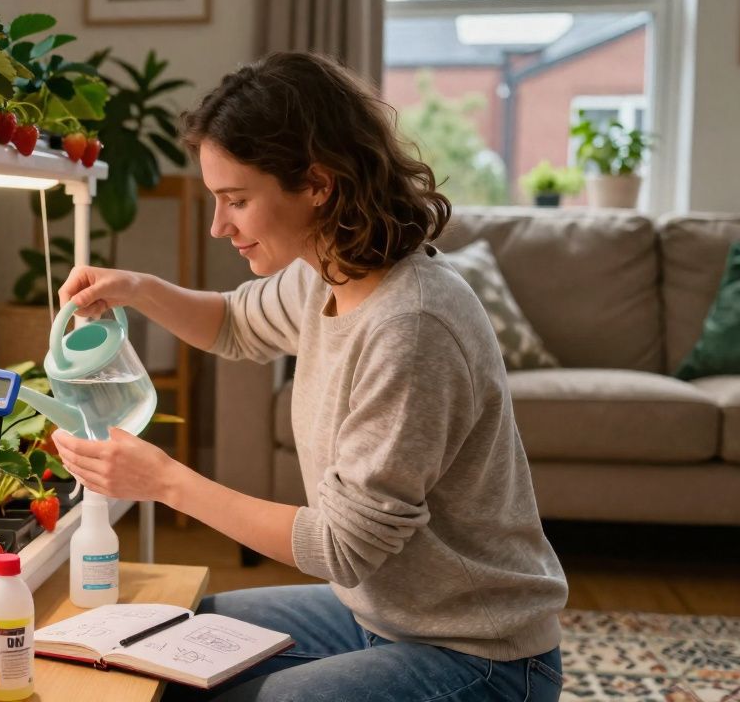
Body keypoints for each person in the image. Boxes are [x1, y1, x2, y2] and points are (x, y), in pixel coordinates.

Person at [49, 52, 568, 701]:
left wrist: (163, 481)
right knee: (169, 651)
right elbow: (235, 325)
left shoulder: (411, 325)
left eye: (236, 200)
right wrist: (139, 289)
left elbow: (343, 548)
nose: (219, 225)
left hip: (479, 654)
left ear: (317, 184)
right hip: (377, 615)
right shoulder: (327, 270)